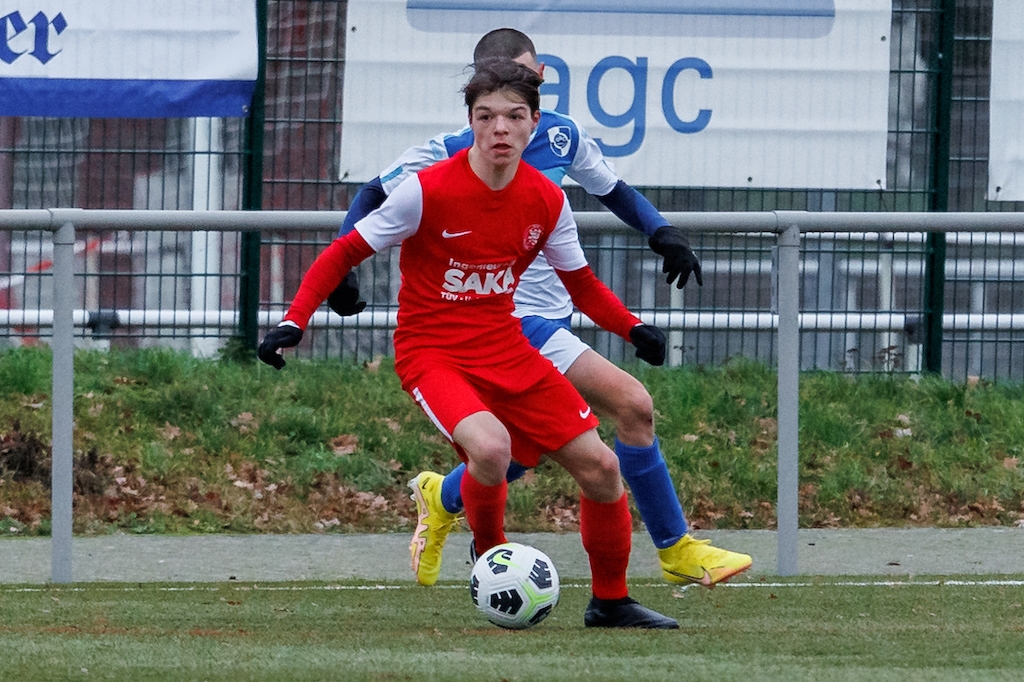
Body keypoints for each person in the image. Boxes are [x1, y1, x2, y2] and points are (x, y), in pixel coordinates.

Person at [259, 58, 677, 628]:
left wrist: (632, 328)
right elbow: (343, 251)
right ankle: (492, 558)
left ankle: (611, 602)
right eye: (486, 116)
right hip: (432, 353)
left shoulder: (547, 200)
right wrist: (294, 321)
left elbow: (581, 284)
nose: (500, 128)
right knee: (491, 448)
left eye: (513, 116)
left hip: (507, 347)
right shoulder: (426, 190)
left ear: (534, 123)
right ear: (471, 122)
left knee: (602, 467)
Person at [330, 29, 752, 590]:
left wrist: (663, 232)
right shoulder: (453, 149)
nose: (508, 108)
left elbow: (615, 191)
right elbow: (371, 194)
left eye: (525, 80)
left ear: (540, 80)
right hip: (509, 319)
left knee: (519, 451)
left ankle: (444, 497)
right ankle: (674, 548)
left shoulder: (560, 135)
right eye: (497, 90)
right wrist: (344, 270)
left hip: (555, 314)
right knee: (631, 405)